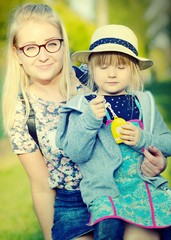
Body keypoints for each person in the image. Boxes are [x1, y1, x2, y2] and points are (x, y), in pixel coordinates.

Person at [1, 4, 169, 240]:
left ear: (63, 43)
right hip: (72, 205)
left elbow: (140, 125)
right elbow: (41, 186)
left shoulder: (97, 75)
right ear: (17, 53)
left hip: (123, 189)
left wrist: (156, 160)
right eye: (30, 48)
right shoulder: (22, 112)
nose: (43, 54)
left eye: (51, 43)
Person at [56, 24, 171, 240]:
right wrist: (90, 120)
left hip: (144, 188)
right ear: (91, 67)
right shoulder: (81, 105)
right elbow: (76, 153)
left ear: (133, 69)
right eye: (103, 67)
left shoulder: (144, 102)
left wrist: (143, 139)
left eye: (120, 67)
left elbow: (168, 143)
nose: (111, 74)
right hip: (105, 194)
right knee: (109, 229)